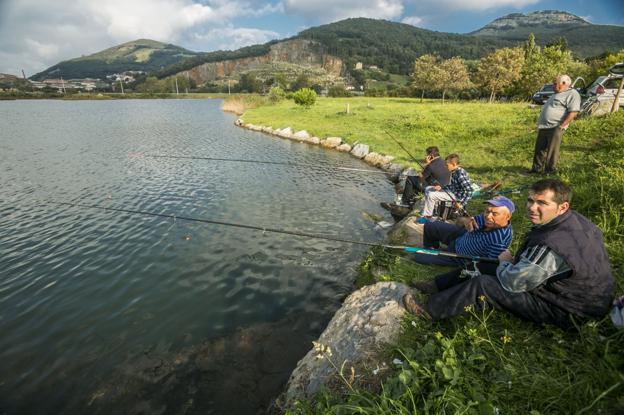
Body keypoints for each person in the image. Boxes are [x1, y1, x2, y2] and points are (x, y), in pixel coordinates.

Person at [403, 179, 615, 328]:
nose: (533, 207)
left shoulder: (552, 245)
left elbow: (514, 283)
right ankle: (437, 286)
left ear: (562, 206)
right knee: (480, 265)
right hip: (585, 295)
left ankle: (430, 310)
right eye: (531, 200)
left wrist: (506, 262)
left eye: (542, 203)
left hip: (571, 310)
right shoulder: (573, 220)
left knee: (484, 283)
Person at [410, 196, 514, 267]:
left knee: (417, 256)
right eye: (487, 211)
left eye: (495, 214)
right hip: (460, 237)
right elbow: (459, 222)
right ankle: (432, 247)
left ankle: (437, 253)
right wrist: (465, 221)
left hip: (459, 257)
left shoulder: (499, 240)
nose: (488, 216)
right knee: (430, 225)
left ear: (508, 216)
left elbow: (487, 265)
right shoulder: (485, 217)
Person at [381, 146, 450, 219]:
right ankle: (411, 200)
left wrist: (426, 164)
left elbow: (421, 178)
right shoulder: (443, 161)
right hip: (444, 186)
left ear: (431, 156)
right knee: (415, 180)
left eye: (427, 154)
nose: (426, 156)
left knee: (410, 179)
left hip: (434, 187)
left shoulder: (431, 165)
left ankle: (405, 202)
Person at [530, 75, 581, 174]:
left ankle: (549, 171)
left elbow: (573, 111)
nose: (553, 85)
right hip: (544, 126)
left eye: (555, 83)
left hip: (556, 126)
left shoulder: (572, 93)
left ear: (564, 83)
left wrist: (562, 125)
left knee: (552, 150)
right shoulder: (555, 94)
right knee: (539, 148)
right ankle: (536, 169)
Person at [420, 154, 473, 218]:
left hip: (456, 196)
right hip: (451, 191)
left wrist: (461, 203)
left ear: (453, 164)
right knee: (428, 188)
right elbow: (453, 186)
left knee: (431, 195)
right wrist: (441, 187)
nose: (445, 166)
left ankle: (427, 216)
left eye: (447, 165)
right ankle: (432, 210)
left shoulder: (460, 173)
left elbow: (469, 190)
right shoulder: (453, 171)